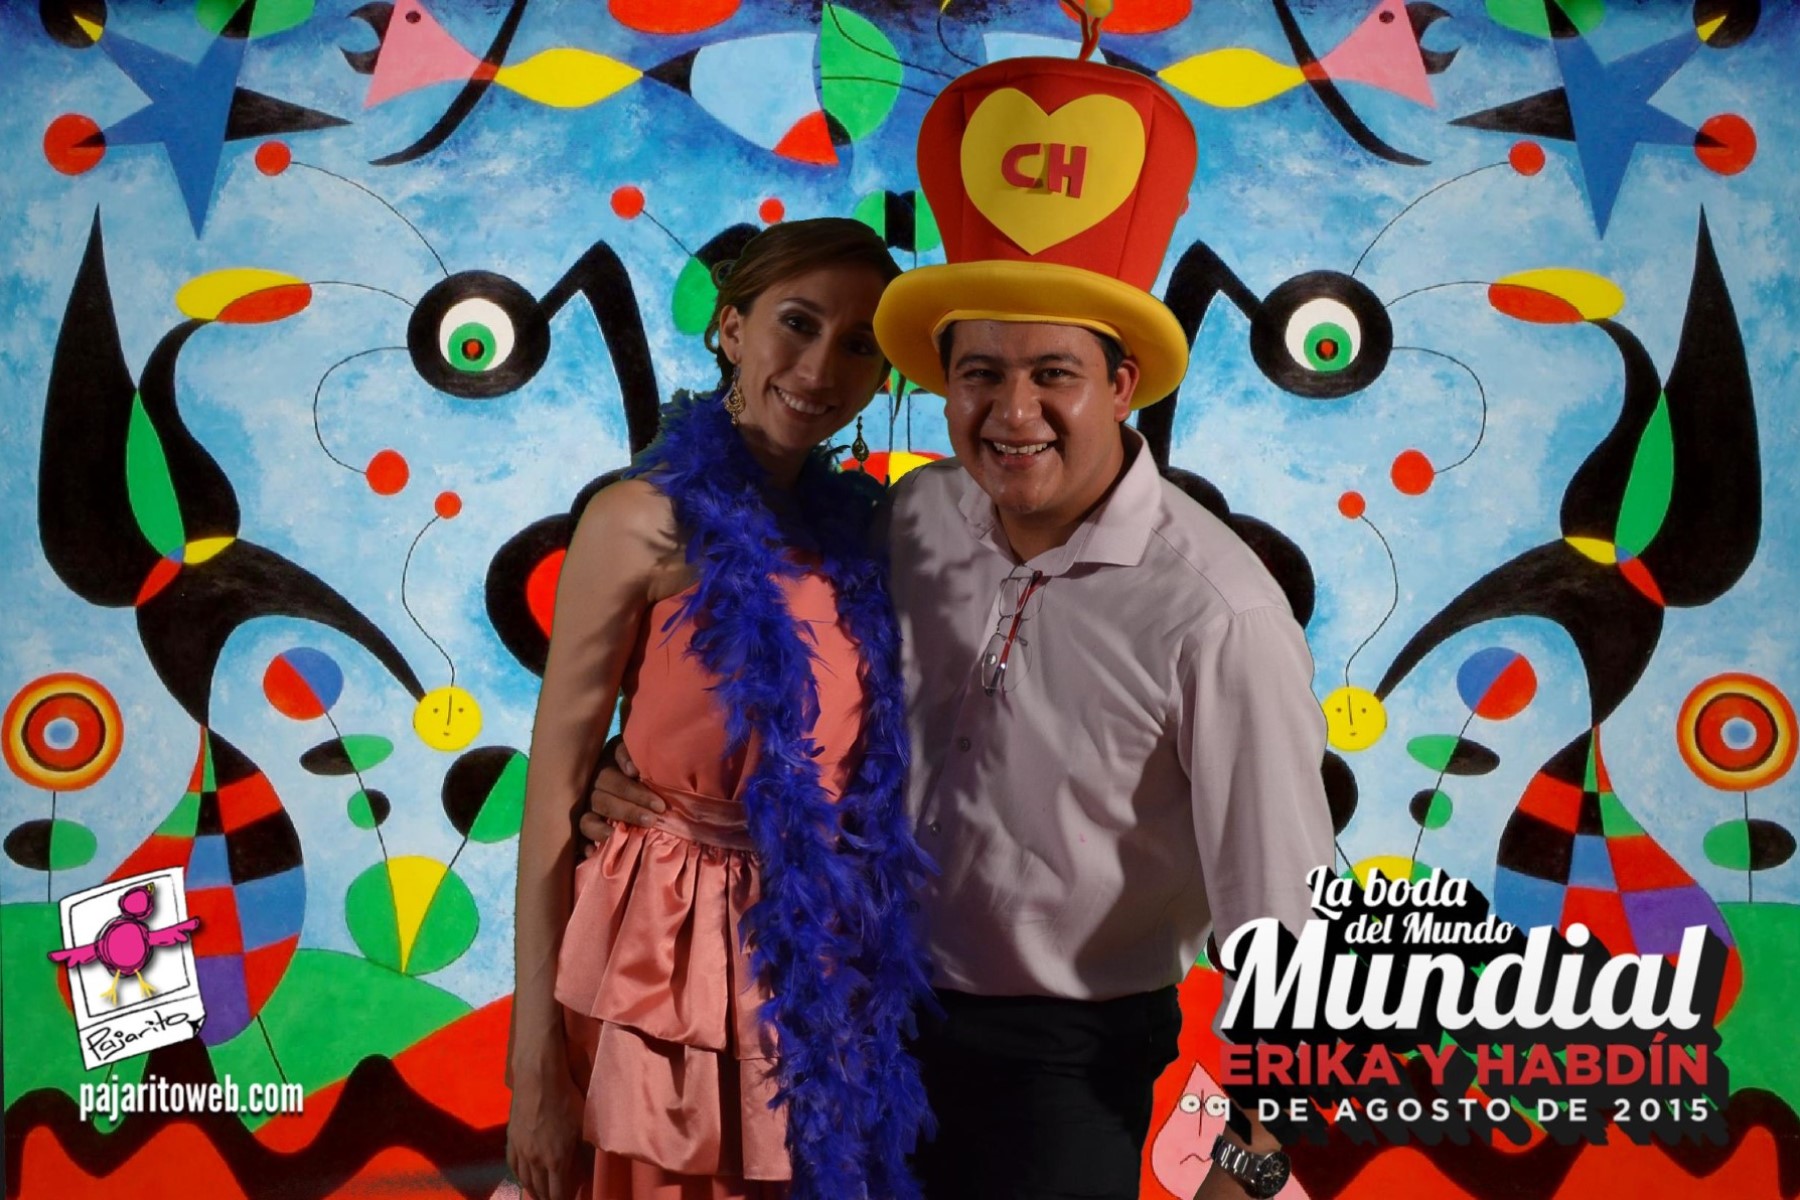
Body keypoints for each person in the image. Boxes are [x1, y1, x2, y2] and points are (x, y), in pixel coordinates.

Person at [586, 55, 1333, 1200]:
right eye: (980, 372)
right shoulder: (916, 515)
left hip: (1062, 1069)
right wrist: (629, 771)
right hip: (858, 1012)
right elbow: (777, 666)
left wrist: (1252, 1158)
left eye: (1053, 374)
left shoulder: (1215, 613)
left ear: (1122, 383)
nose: (1011, 412)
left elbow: (1293, 922)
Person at [508, 217, 935, 1200]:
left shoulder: (864, 537)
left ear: (883, 378)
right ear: (732, 329)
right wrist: (532, 1064)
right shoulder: (637, 520)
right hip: (661, 964)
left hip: (816, 962)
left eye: (859, 344)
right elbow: (552, 801)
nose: (820, 368)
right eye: (798, 322)